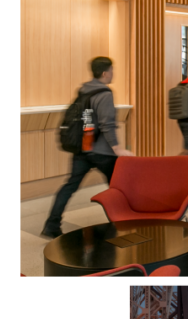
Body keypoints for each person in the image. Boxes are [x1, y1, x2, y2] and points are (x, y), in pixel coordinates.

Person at [42, 56, 134, 238]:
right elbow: (107, 124)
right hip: (102, 152)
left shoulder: (84, 90)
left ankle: (51, 225)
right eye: (112, 70)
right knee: (118, 187)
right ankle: (123, 222)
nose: (113, 73)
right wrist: (117, 148)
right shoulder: (105, 93)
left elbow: (86, 120)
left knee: (69, 186)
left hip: (83, 149)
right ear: (105, 73)